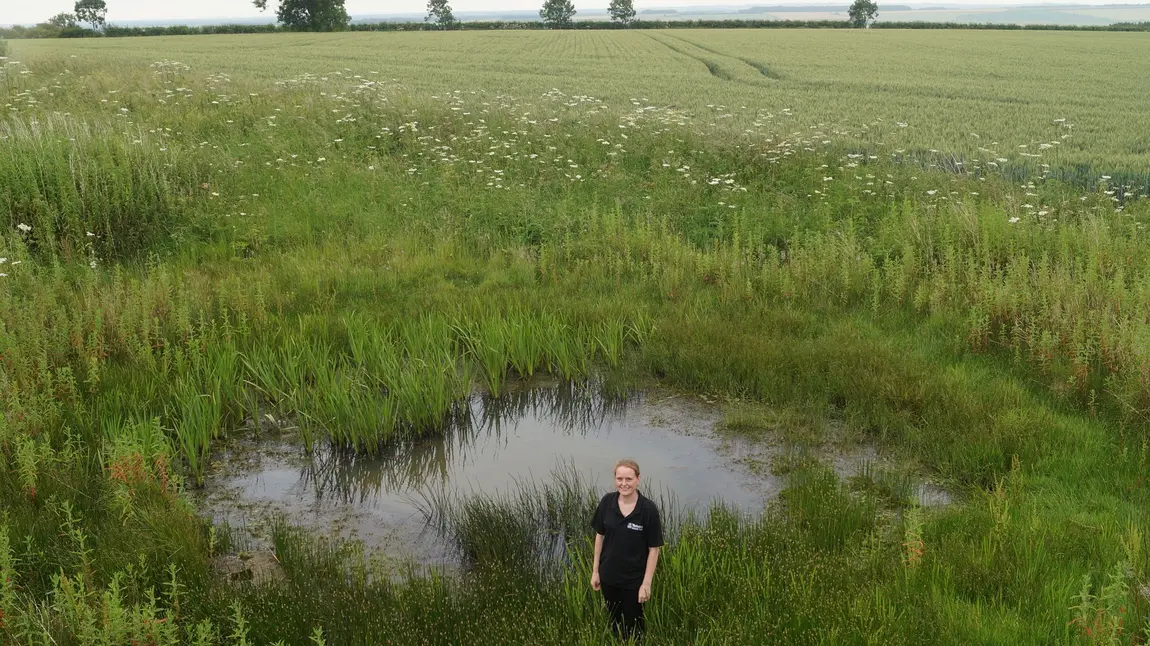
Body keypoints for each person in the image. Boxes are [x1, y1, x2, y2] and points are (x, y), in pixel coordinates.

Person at [590, 459, 663, 642]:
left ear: (638, 479)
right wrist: (595, 571)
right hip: (609, 577)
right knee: (614, 621)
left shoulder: (648, 510)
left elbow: (654, 550)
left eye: (629, 479)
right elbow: (599, 536)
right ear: (615, 479)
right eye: (619, 478)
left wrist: (646, 584)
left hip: (634, 581)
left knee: (635, 626)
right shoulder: (607, 502)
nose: (624, 484)